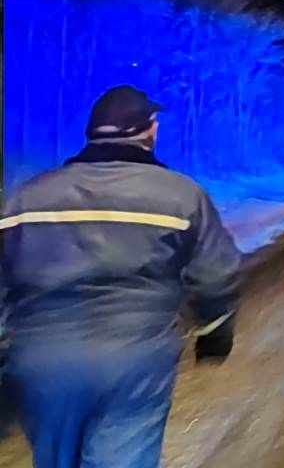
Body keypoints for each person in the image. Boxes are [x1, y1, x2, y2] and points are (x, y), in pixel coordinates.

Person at [1, 86, 241, 468]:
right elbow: (216, 272)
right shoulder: (181, 195)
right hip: (135, 359)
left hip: (43, 360)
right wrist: (215, 331)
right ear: (149, 131)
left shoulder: (24, 199)